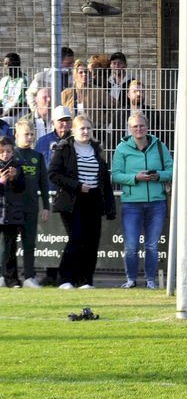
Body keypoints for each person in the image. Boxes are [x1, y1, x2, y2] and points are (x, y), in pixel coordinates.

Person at [49, 115, 115, 289]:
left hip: (93, 200)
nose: (86, 132)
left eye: (88, 128)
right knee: (76, 238)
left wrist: (109, 206)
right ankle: (65, 279)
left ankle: (85, 281)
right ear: (74, 130)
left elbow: (105, 180)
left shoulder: (96, 149)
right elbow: (53, 174)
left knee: (92, 241)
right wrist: (77, 186)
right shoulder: (64, 148)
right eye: (82, 128)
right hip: (72, 201)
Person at [111, 112, 172, 289]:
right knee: (131, 245)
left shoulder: (159, 146)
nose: (138, 129)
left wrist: (159, 175)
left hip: (157, 203)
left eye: (141, 125)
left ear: (147, 127)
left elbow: (172, 170)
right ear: (129, 129)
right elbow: (115, 175)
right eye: (135, 126)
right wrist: (135, 178)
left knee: (152, 245)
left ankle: (150, 280)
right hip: (131, 204)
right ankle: (131, 279)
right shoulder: (122, 148)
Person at [9, 120, 49, 287]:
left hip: (31, 206)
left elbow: (43, 184)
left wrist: (46, 206)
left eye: (32, 134)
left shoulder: (37, 157)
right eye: (26, 134)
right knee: (9, 243)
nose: (30, 137)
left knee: (29, 243)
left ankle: (29, 277)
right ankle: (8, 277)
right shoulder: (11, 155)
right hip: (12, 207)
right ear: (17, 135)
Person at [0, 136, 26, 287]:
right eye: (2, 151)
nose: (5, 154)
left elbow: (21, 188)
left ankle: (12, 279)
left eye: (8, 151)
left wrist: (14, 178)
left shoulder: (17, 166)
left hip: (11, 214)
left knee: (11, 247)